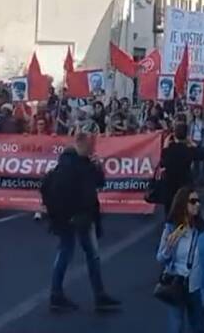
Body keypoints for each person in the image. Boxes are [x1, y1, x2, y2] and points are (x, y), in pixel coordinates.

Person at [42, 132, 121, 313]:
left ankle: (60, 293)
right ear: (82, 145)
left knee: (71, 253)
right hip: (79, 217)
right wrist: (70, 215)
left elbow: (98, 183)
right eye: (90, 146)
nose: (92, 149)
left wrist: (98, 167)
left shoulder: (76, 164)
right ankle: (92, 294)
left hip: (76, 217)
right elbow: (80, 191)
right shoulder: (71, 167)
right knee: (85, 254)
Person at [156, 187, 204, 333]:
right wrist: (168, 248)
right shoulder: (171, 227)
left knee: (198, 325)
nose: (197, 205)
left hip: (197, 285)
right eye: (193, 201)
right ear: (183, 204)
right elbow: (160, 258)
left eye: (199, 201)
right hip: (177, 283)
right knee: (176, 326)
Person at [160, 123, 198, 214]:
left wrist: (165, 145)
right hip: (184, 181)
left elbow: (163, 163)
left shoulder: (169, 149)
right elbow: (201, 154)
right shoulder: (188, 150)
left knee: (169, 207)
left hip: (170, 182)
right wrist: (191, 143)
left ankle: (169, 225)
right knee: (184, 206)